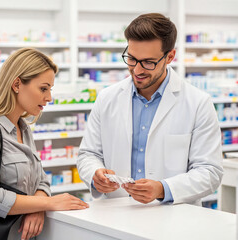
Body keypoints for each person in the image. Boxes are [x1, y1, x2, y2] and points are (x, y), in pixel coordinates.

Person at [77, 13, 223, 205]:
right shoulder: (107, 98)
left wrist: (163, 189)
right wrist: (95, 175)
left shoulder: (197, 103)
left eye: (148, 62)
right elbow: (89, 154)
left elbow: (210, 172)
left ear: (170, 56)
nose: (137, 70)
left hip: (172, 217)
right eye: (131, 58)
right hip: (114, 213)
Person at [0, 48, 89, 240]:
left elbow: (41, 180)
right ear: (17, 84)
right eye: (43, 88)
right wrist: (46, 204)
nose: (49, 98)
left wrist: (38, 205)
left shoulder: (23, 127)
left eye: (50, 90)